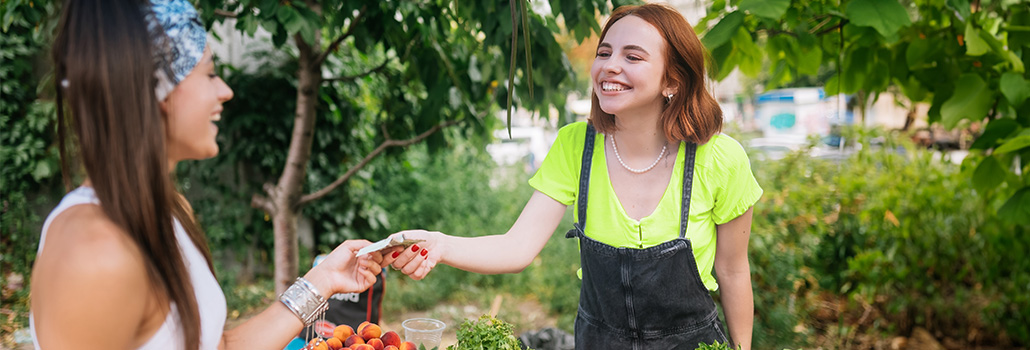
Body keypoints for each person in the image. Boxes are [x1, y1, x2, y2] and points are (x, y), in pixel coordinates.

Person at [384, 4, 762, 350]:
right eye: (604, 52)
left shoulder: (721, 159)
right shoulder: (575, 146)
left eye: (632, 56)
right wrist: (439, 244)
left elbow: (732, 270)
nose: (609, 66)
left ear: (672, 81)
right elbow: (517, 247)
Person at [29, 0, 395, 349]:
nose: (225, 91)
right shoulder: (94, 254)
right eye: (209, 74)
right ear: (154, 88)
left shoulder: (168, 211)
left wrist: (323, 280)